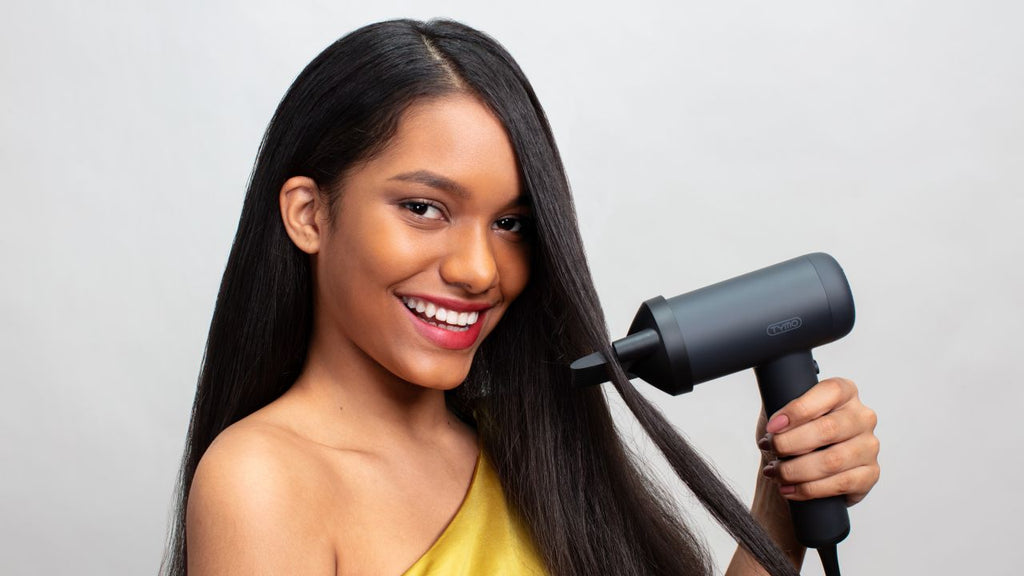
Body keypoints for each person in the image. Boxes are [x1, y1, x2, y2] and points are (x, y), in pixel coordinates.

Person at [162, 18, 880, 576]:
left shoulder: (528, 447)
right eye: (424, 208)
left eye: (511, 224)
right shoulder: (262, 481)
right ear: (309, 215)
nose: (480, 269)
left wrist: (777, 512)